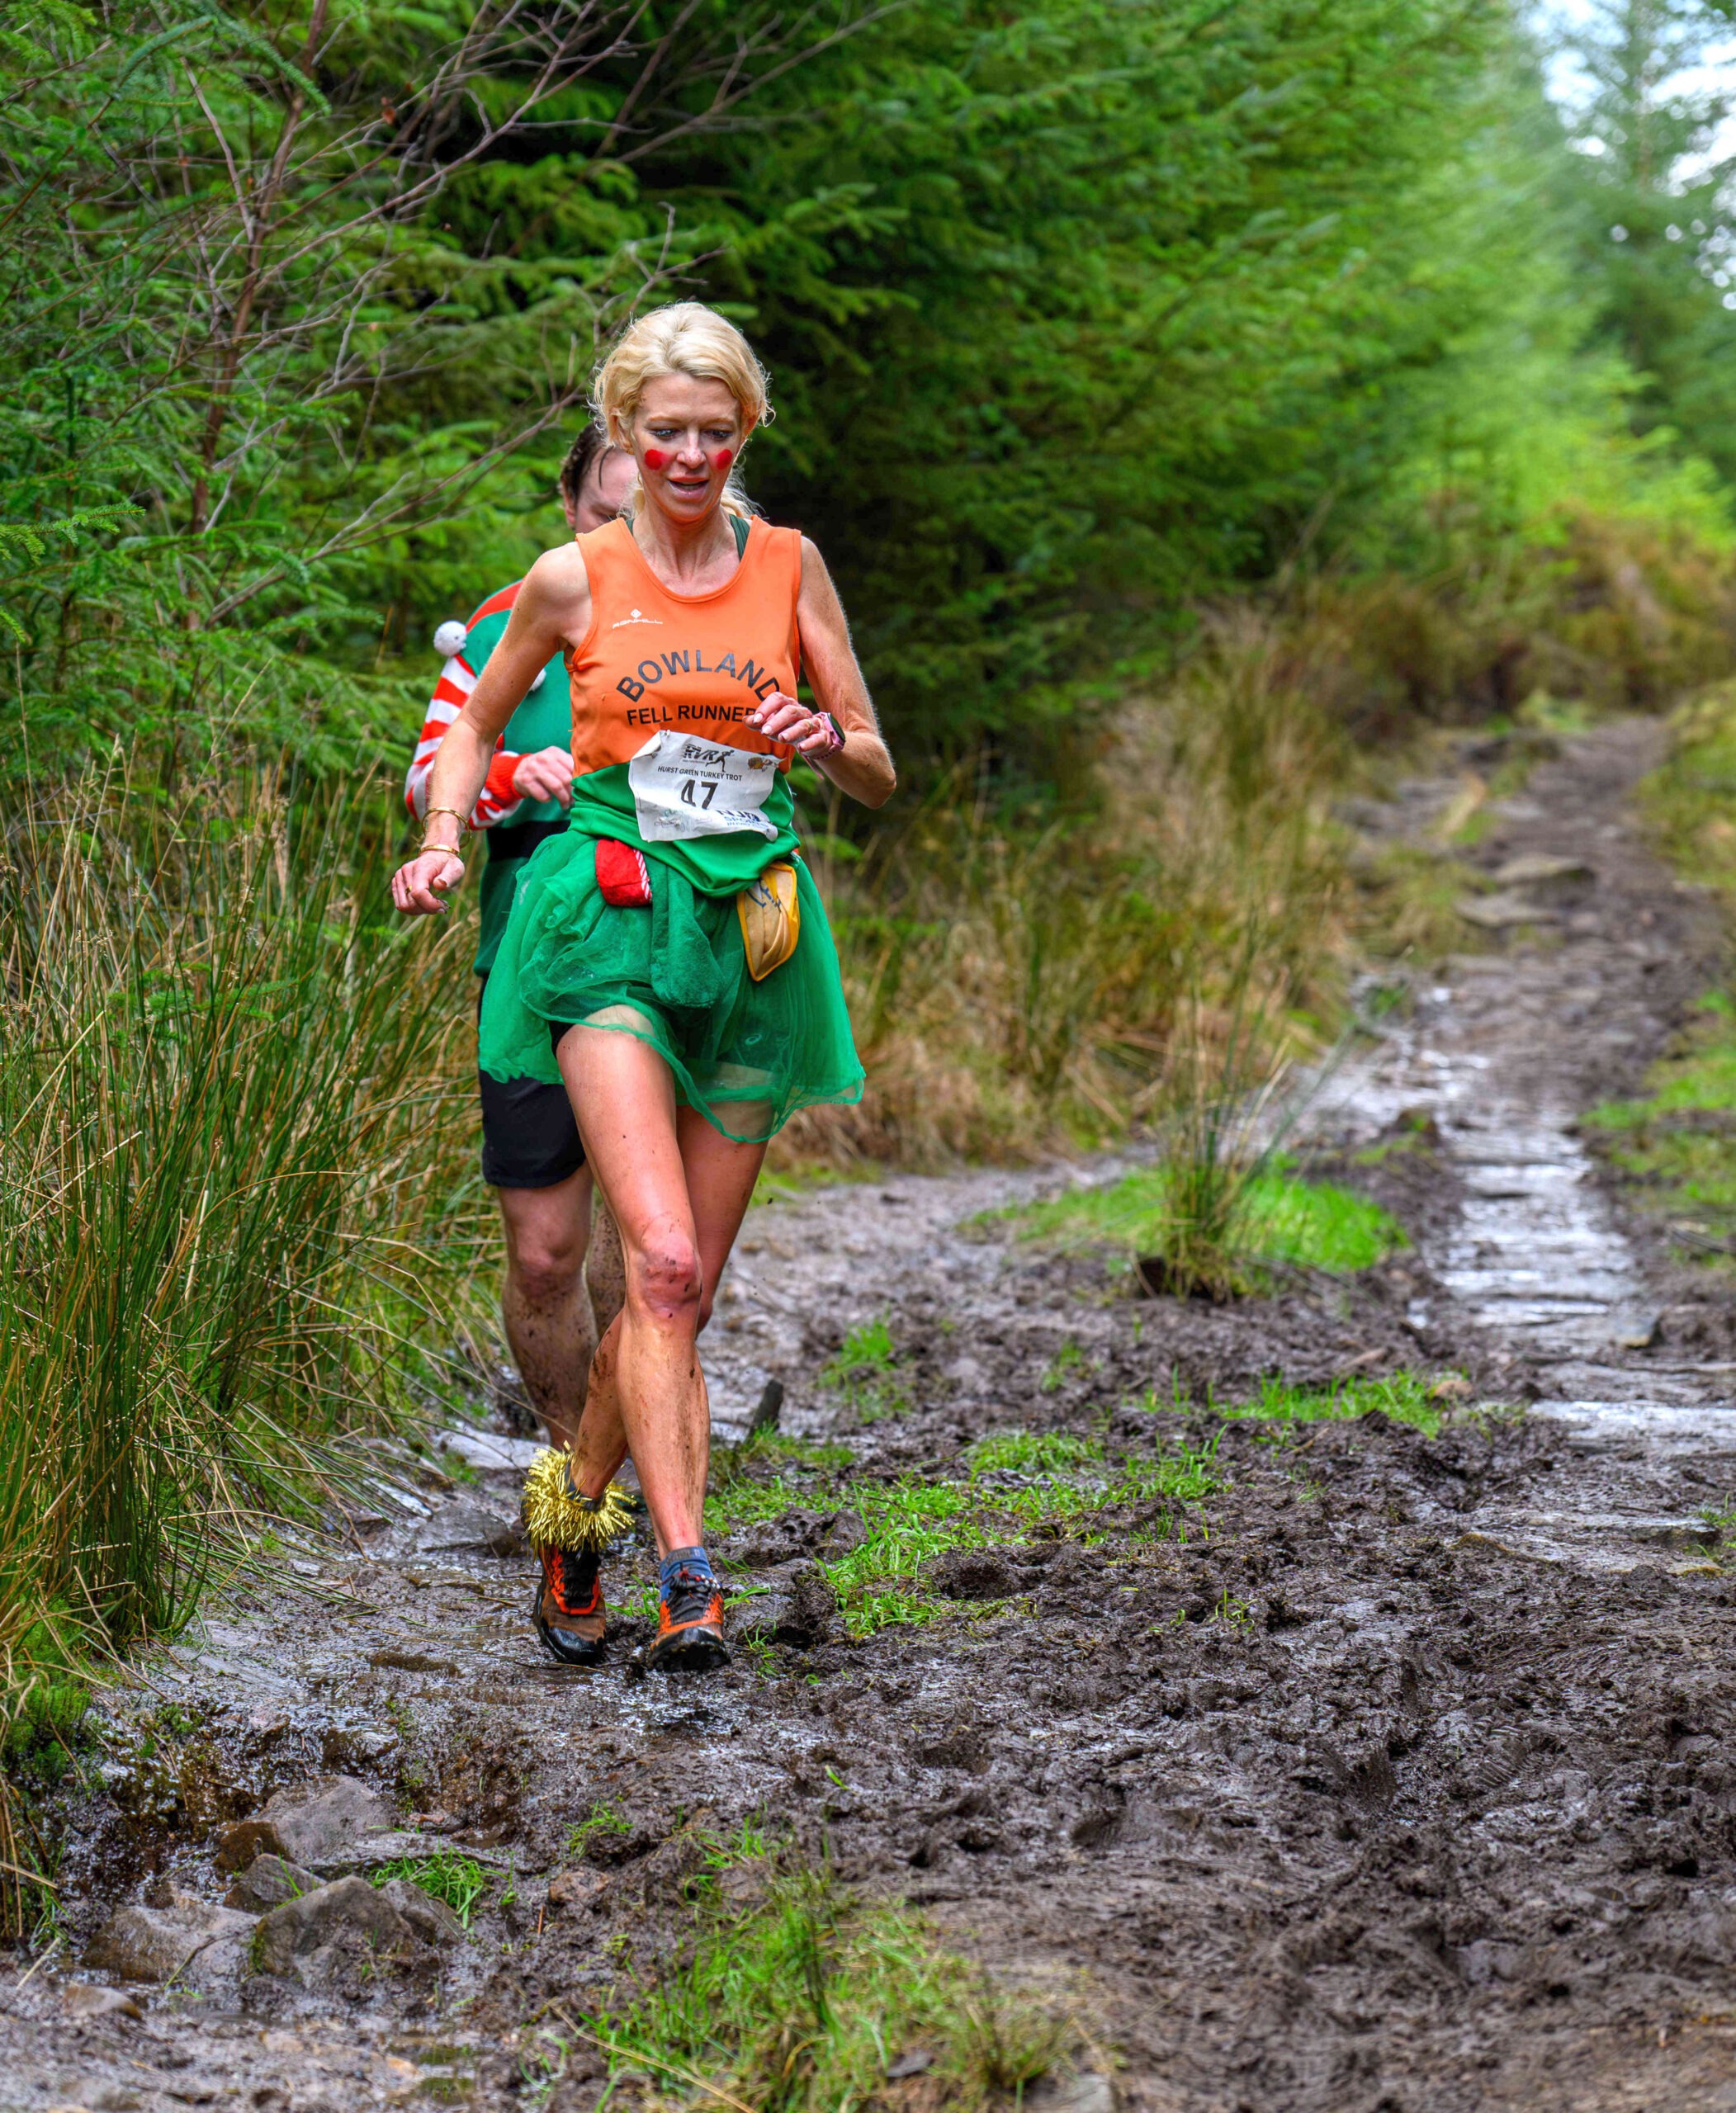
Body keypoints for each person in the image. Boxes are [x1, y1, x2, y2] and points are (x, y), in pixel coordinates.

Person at [391, 302, 896, 1673]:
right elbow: (471, 725)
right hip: (602, 920)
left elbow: (871, 765)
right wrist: (443, 837)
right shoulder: (570, 577)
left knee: (676, 1298)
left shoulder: (789, 566)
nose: (687, 456)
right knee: (653, 1260)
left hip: (747, 933)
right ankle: (687, 1578)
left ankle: (572, 1521)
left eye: (713, 432)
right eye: (664, 431)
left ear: (746, 432)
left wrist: (819, 736)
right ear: (625, 429)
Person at [403, 426, 636, 1480]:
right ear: (568, 506)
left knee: (640, 1254)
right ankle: (570, 1482)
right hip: (532, 953)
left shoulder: (718, 611)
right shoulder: (507, 621)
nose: (621, 536)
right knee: (546, 1253)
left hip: (667, 947)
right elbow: (429, 775)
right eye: (605, 515)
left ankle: (630, 1471)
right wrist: (506, 779)